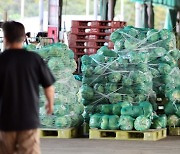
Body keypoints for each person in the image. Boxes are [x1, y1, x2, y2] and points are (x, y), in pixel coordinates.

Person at [0, 21, 55, 154]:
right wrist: (50, 104)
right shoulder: (34, 59)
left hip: (4, 121)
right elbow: (48, 86)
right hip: (28, 121)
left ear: (5, 39)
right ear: (24, 37)